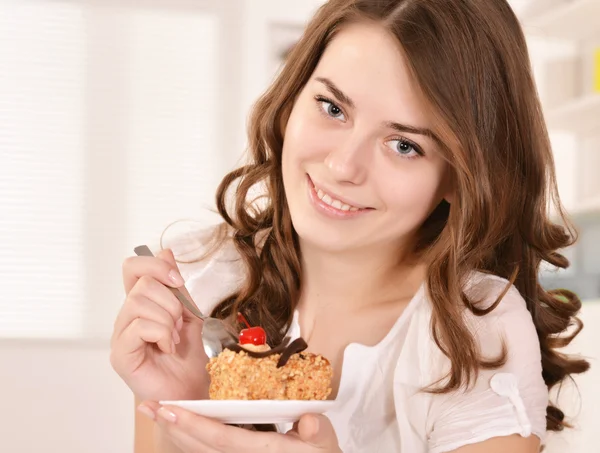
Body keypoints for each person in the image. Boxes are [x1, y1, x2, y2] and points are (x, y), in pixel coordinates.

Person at [109, 0, 591, 452]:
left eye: (404, 145)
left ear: (461, 177)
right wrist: (184, 409)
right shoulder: (205, 282)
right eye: (333, 108)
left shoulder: (475, 330)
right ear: (292, 97)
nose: (343, 166)